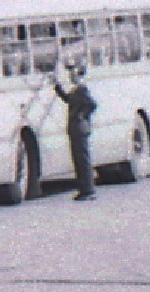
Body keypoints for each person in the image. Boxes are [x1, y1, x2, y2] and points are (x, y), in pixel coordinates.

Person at [53, 60, 98, 201]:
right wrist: (57, 87)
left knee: (83, 160)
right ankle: (84, 189)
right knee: (79, 160)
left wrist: (82, 115)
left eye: (73, 73)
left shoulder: (82, 89)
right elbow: (68, 100)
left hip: (80, 128)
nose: (71, 76)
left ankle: (88, 190)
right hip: (75, 129)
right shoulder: (76, 90)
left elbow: (92, 104)